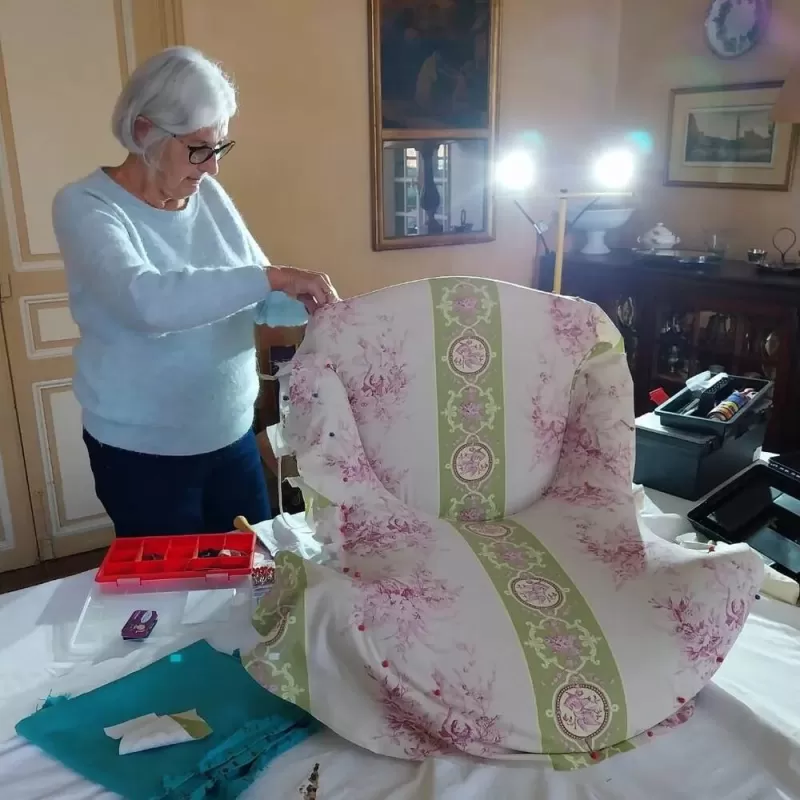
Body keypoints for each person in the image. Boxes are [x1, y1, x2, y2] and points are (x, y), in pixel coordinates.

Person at [52, 47, 339, 537]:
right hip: (143, 456)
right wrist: (272, 278)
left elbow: (256, 293)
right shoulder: (87, 207)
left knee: (256, 576)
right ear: (145, 132)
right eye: (198, 148)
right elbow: (147, 302)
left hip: (231, 439)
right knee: (174, 604)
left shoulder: (207, 195)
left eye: (219, 148)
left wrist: (316, 306)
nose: (212, 168)